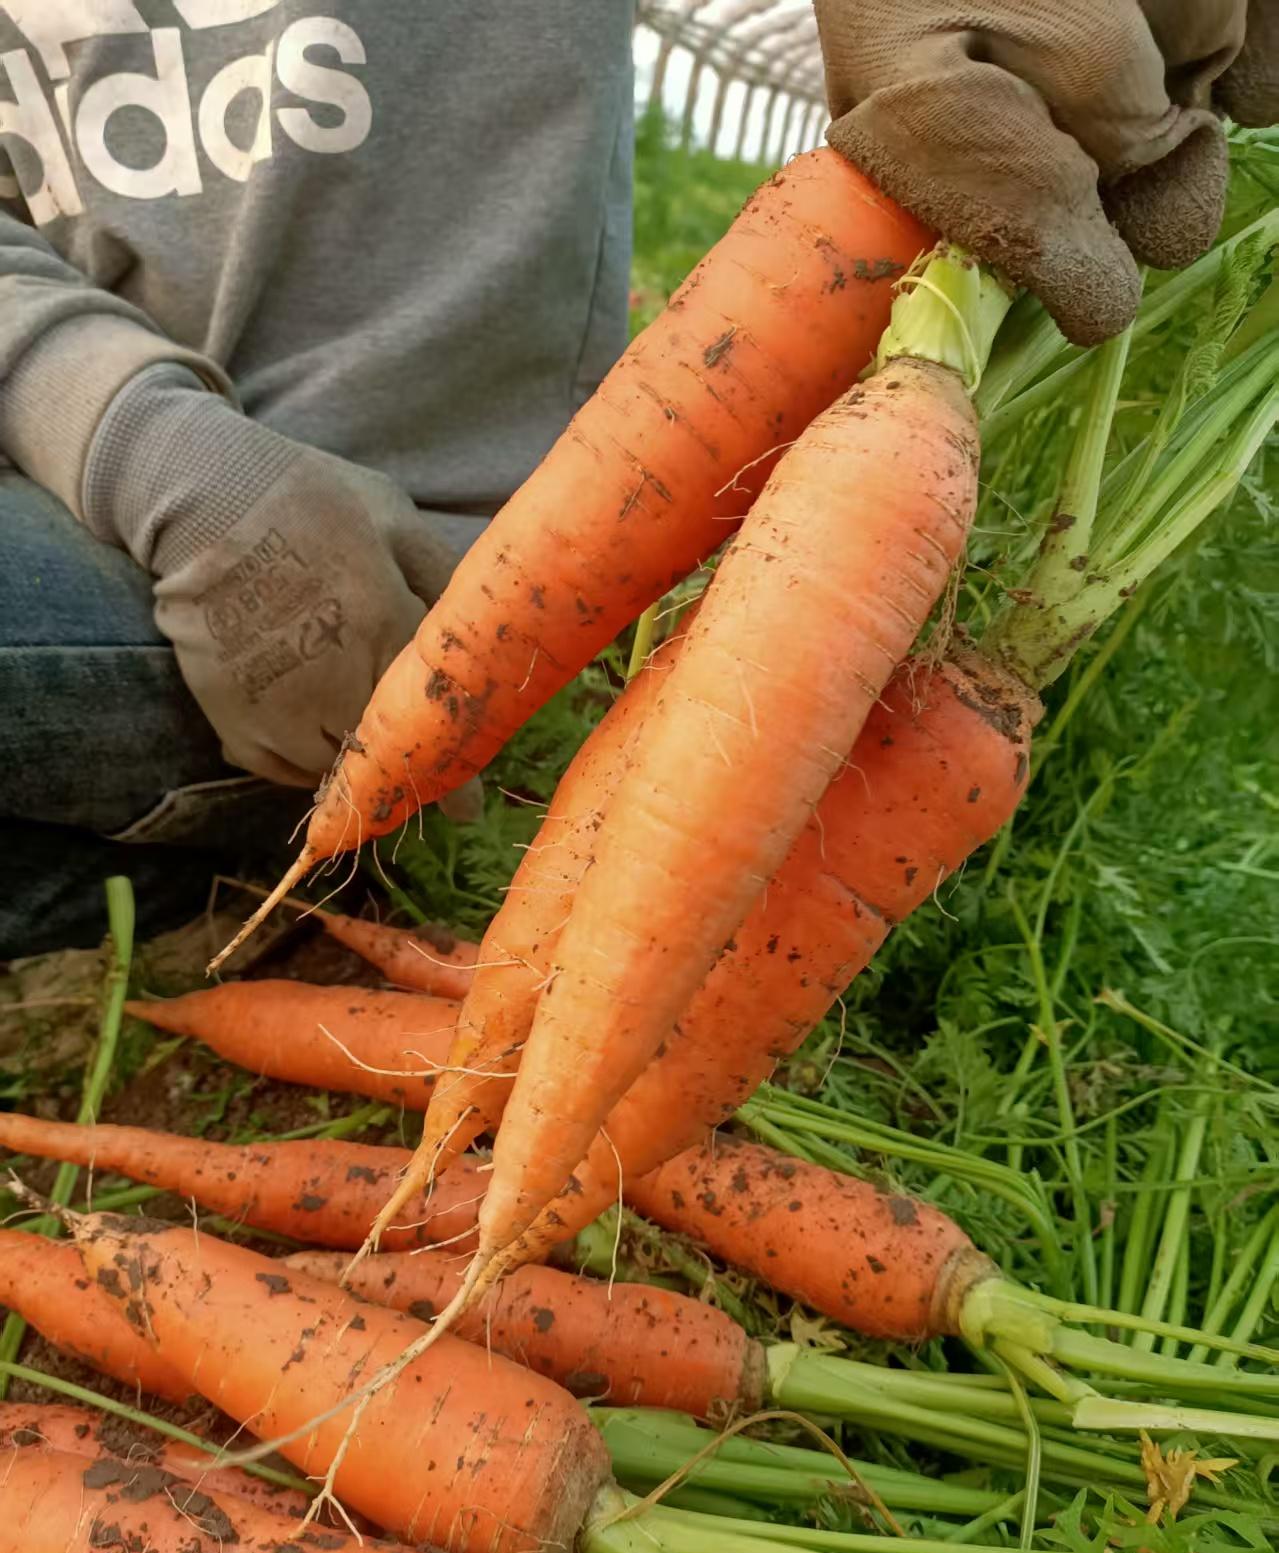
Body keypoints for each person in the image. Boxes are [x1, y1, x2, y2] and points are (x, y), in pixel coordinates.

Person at [0, 1, 1271, 958]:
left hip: (419, 617)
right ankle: (211, 877)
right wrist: (154, 451)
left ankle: (240, 864)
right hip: (105, 518)